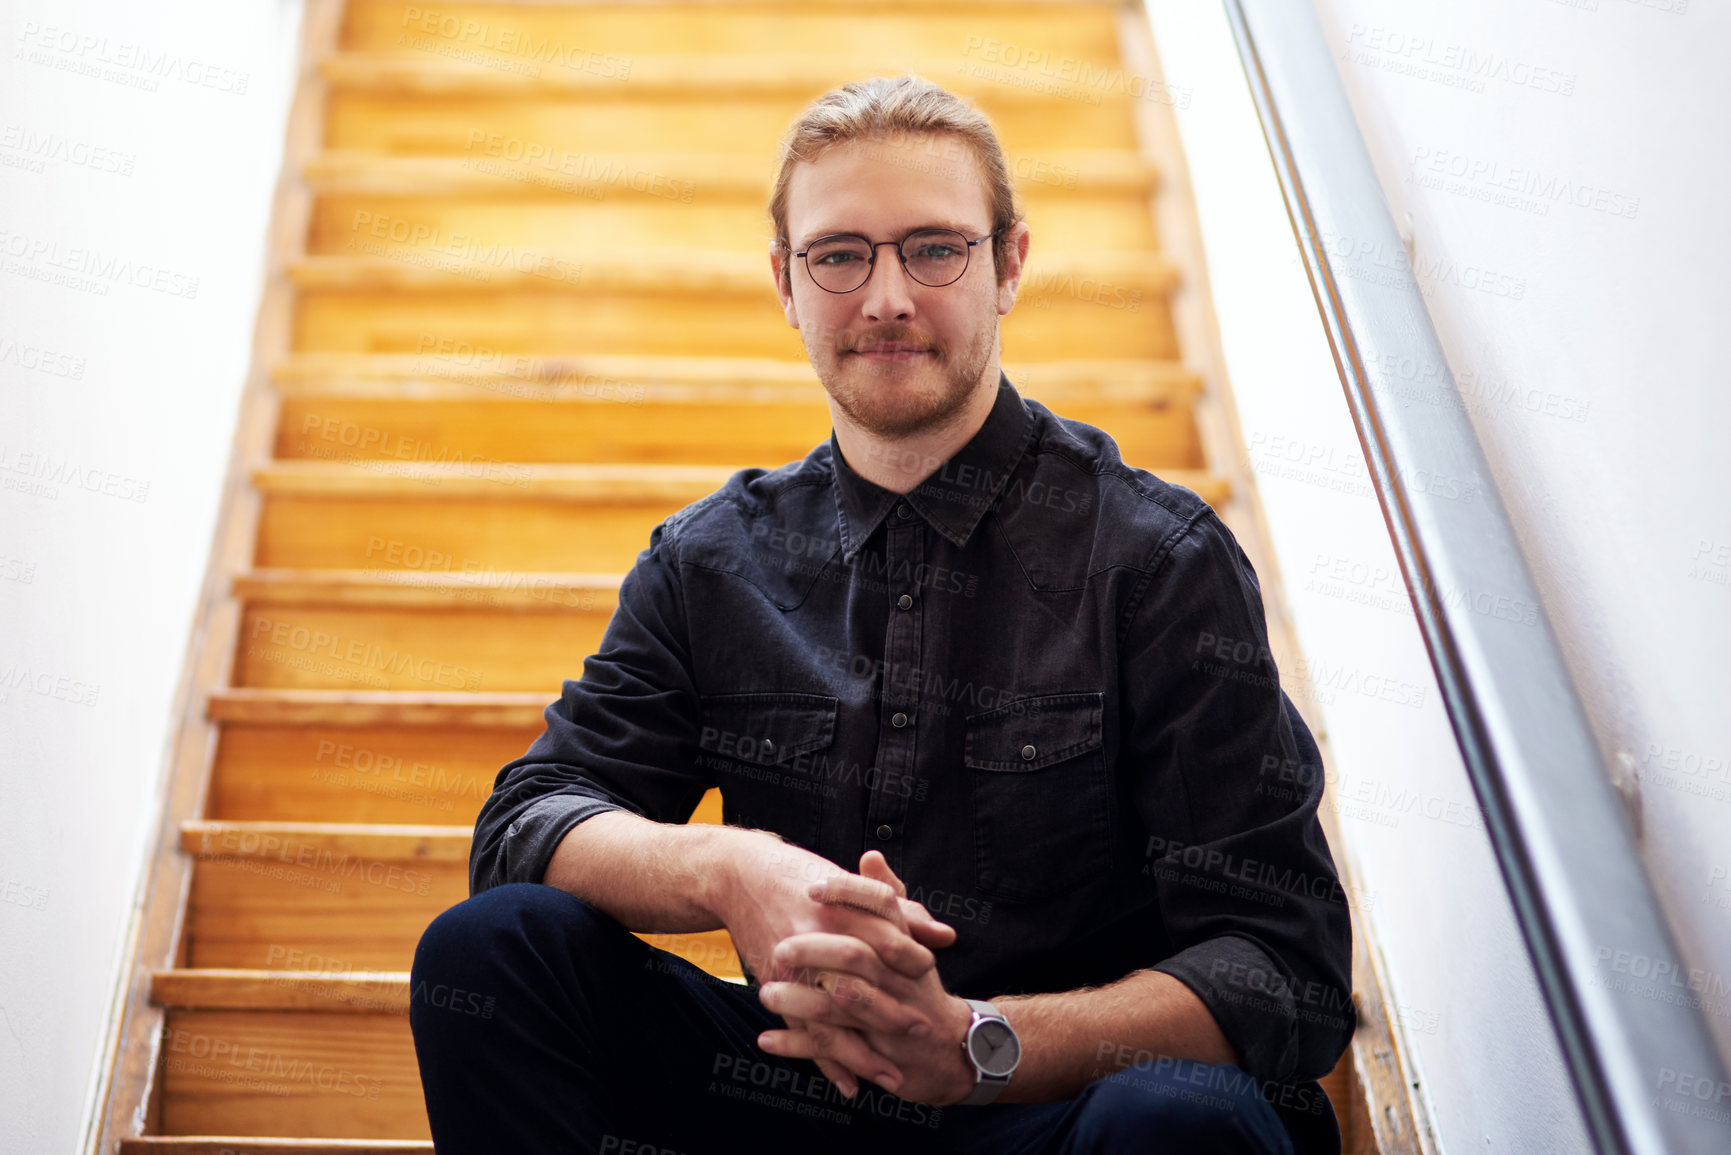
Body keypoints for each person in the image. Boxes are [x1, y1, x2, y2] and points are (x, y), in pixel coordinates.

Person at [409, 74, 1353, 1155]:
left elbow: (1287, 968)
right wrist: (732, 867)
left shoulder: (1157, 559)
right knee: (492, 952)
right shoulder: (710, 561)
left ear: (1009, 267)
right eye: (842, 254)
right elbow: (529, 820)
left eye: (935, 249)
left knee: (1186, 1121)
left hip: (1050, 1109)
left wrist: (973, 1042)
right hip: (791, 1091)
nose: (888, 298)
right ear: (787, 283)